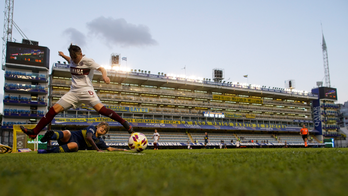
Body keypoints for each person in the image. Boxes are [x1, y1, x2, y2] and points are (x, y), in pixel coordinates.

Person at [20, 44, 133, 139]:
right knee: (53, 110)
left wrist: (105, 76)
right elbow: (70, 61)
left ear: (80, 53)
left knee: (101, 109)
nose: (74, 60)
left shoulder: (88, 61)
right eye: (72, 58)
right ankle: (35, 132)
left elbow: (102, 68)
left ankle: (124, 123)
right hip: (73, 92)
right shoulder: (72, 60)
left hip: (86, 90)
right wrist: (63, 55)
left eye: (75, 58)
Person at [38, 122, 127, 153]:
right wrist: (97, 149)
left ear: (105, 133)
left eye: (105, 130)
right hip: (69, 137)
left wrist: (122, 150)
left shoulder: (99, 141)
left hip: (73, 144)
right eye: (102, 127)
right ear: (98, 127)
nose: (103, 130)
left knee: (75, 145)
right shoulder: (92, 128)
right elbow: (89, 138)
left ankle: (47, 151)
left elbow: (109, 148)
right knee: (67, 132)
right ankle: (50, 136)